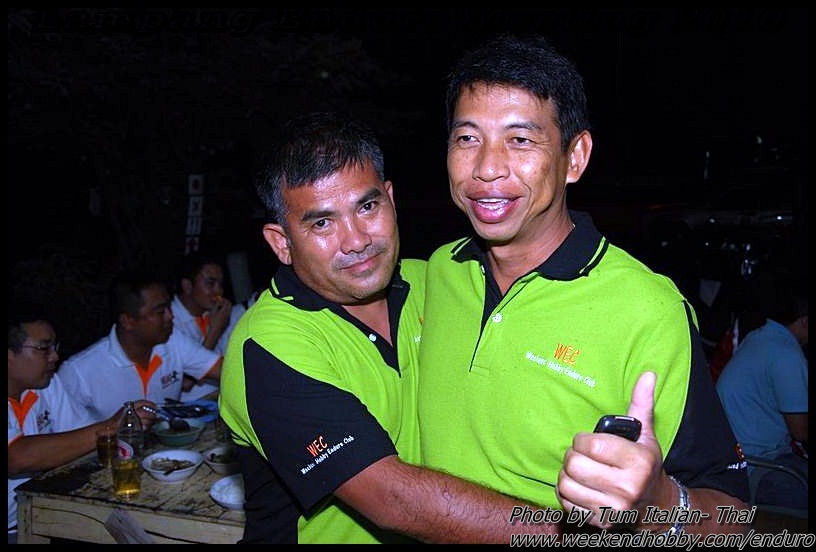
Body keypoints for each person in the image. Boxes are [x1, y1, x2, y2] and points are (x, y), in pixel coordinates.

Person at [417, 34, 750, 536]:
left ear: (575, 157)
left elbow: (733, 519)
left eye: (520, 140)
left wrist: (658, 502)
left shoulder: (648, 309)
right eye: (467, 138)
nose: (486, 168)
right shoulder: (440, 271)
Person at [219, 111, 561, 544]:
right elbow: (393, 500)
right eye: (322, 223)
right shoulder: (268, 346)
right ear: (282, 242)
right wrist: (567, 533)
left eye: (367, 206)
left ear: (391, 199)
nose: (357, 240)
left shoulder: (436, 283)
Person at [7, 301, 157, 544]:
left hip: (41, 512)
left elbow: (81, 434)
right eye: (43, 348)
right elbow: (16, 458)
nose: (54, 356)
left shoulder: (46, 385)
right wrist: (111, 426)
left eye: (54, 347)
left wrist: (126, 425)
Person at [58, 271, 223, 423]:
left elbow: (223, 370)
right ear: (128, 321)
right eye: (160, 311)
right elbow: (65, 437)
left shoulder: (173, 341)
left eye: (169, 307)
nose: (170, 316)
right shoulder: (78, 372)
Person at [716, 272, 808, 509]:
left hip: (734, 459)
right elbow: (801, 431)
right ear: (804, 321)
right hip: (755, 467)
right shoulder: (786, 353)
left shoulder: (760, 337)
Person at [171, 250, 245, 399]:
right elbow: (185, 382)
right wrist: (215, 331)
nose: (218, 291)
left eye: (220, 284)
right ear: (187, 286)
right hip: (189, 407)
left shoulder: (212, 313)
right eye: (210, 283)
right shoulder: (169, 321)